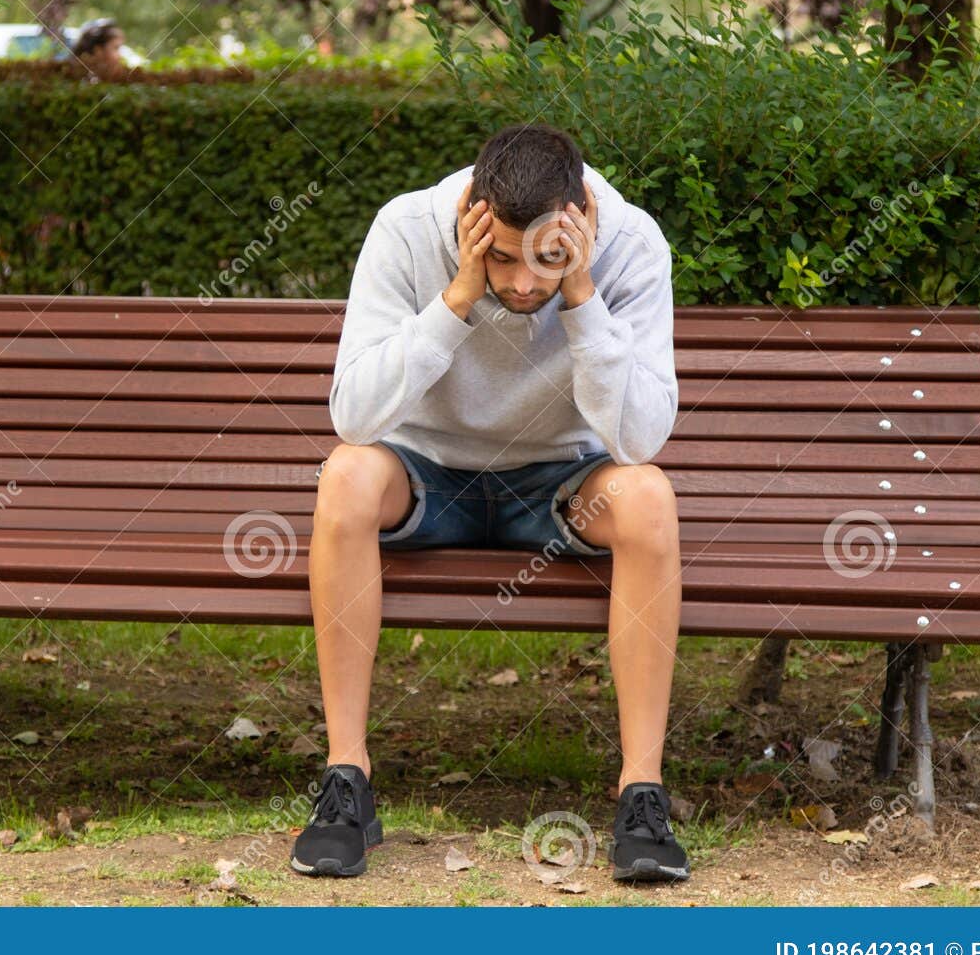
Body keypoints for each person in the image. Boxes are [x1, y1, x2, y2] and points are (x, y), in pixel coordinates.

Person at [291, 124, 686, 883]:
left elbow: (637, 440)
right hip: (426, 470)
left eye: (544, 260)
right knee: (344, 474)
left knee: (650, 500)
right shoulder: (406, 231)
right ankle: (347, 780)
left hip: (561, 481)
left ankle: (642, 792)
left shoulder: (632, 243)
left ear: (580, 223)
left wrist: (581, 296)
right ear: (472, 217)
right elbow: (354, 416)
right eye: (501, 256)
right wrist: (459, 298)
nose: (523, 283)